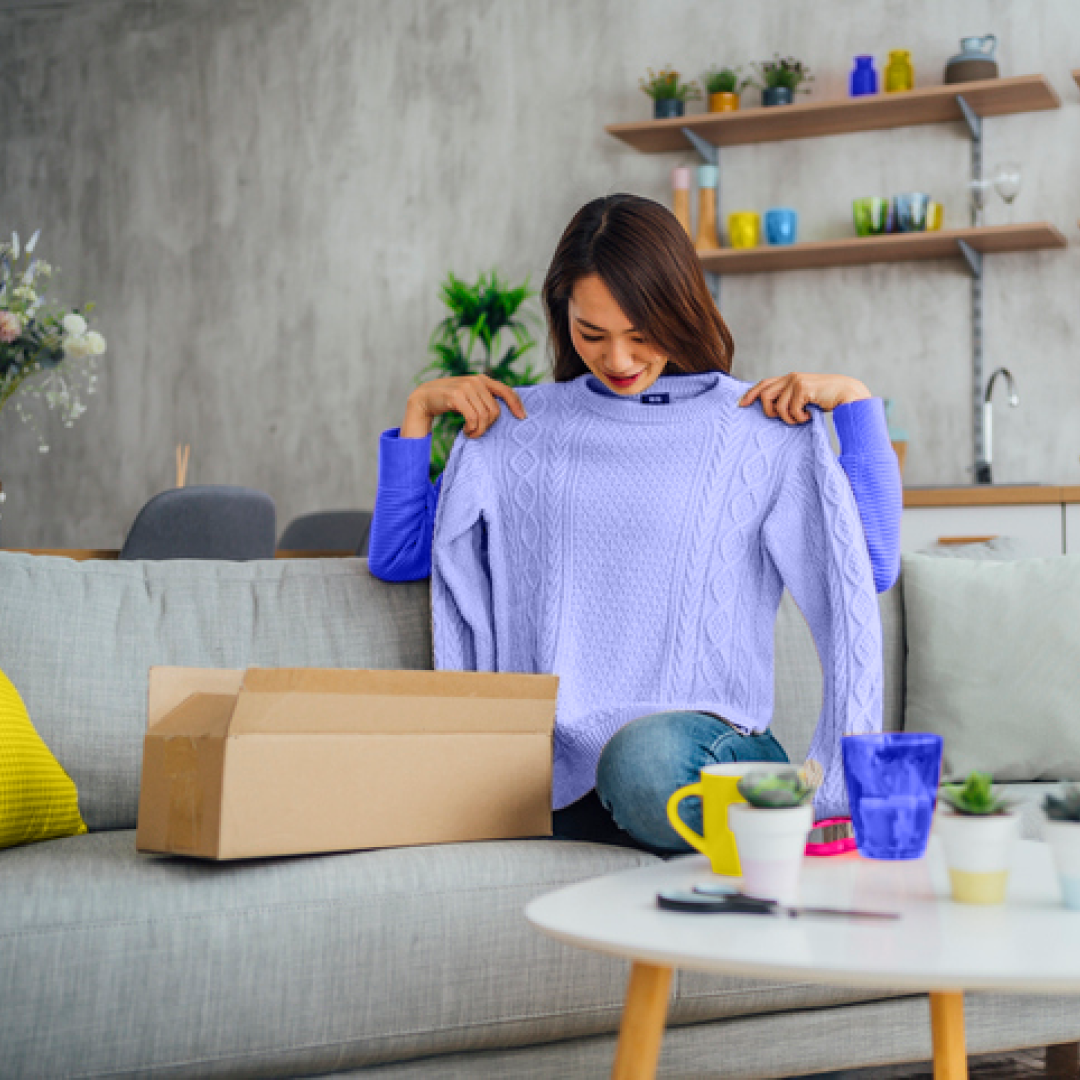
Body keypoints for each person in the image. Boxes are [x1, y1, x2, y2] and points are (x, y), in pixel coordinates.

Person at [369, 193, 899, 854]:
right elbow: (397, 558)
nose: (617, 358)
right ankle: (698, 831)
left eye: (640, 334)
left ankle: (774, 828)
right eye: (593, 334)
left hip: (697, 745)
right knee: (468, 789)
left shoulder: (755, 431)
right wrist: (419, 414)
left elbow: (870, 568)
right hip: (561, 762)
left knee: (642, 766)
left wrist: (854, 405)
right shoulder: (521, 431)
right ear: (563, 318)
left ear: (679, 310)